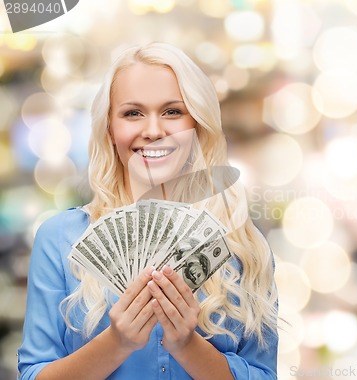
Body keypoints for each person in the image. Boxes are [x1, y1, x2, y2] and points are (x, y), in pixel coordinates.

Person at [18, 42, 278, 379]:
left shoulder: (245, 248)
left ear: (196, 125)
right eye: (132, 113)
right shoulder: (59, 239)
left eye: (172, 111)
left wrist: (187, 345)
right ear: (109, 129)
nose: (153, 131)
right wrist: (116, 342)